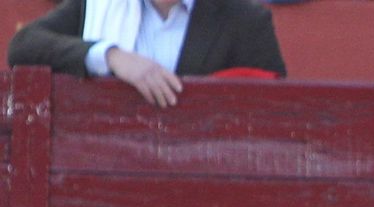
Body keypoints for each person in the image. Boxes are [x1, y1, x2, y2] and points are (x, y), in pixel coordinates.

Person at [8, 0, 287, 108]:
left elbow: (275, 111)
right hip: (107, 173)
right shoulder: (97, 5)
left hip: (207, 183)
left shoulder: (245, 20)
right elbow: (23, 46)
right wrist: (111, 56)